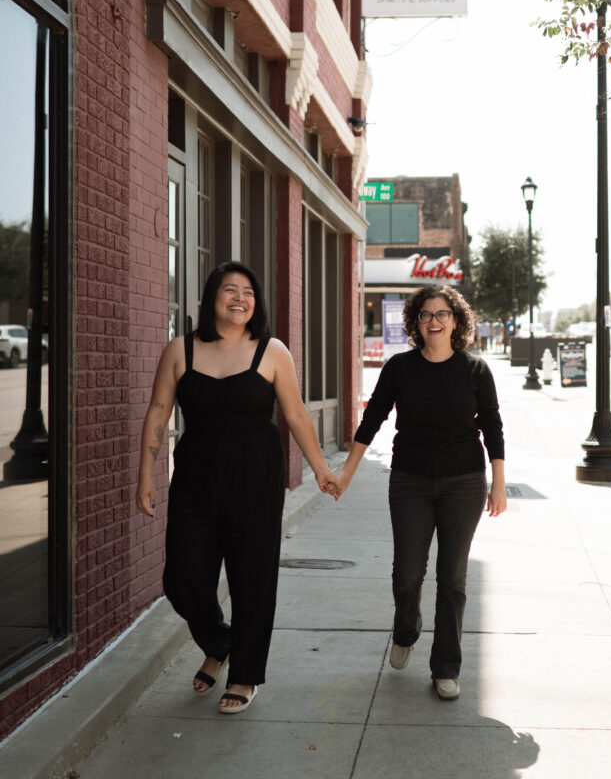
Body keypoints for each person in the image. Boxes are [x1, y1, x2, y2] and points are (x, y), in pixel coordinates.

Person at [136, 262, 338, 715]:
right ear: (212, 299)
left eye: (248, 291)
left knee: (252, 580)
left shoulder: (272, 352)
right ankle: (219, 641)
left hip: (255, 478)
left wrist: (321, 469)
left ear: (256, 303)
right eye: (230, 290)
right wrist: (145, 474)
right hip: (195, 479)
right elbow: (157, 414)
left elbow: (298, 416)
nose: (240, 298)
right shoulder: (180, 350)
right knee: (183, 578)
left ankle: (245, 674)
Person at [335, 283, 506, 700]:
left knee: (453, 578)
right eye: (426, 314)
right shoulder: (399, 368)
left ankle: (446, 667)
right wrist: (346, 474)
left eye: (442, 314)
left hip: (464, 482)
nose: (434, 321)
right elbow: (371, 420)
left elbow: (493, 428)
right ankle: (406, 629)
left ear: (456, 320)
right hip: (409, 480)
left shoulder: (475, 370)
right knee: (407, 573)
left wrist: (498, 483)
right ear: (415, 321)